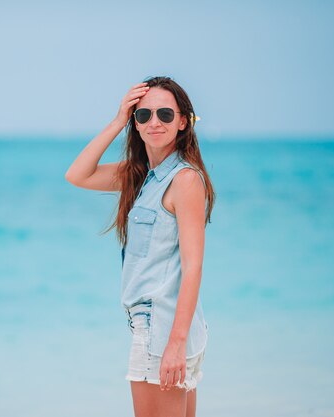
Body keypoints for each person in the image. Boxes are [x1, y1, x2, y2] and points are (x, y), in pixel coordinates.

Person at [64, 76, 215, 417]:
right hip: (170, 326)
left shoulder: (185, 179)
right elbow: (77, 175)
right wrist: (118, 120)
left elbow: (194, 266)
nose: (154, 122)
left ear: (182, 121)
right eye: (143, 115)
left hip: (162, 328)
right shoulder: (143, 176)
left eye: (164, 113)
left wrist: (174, 343)